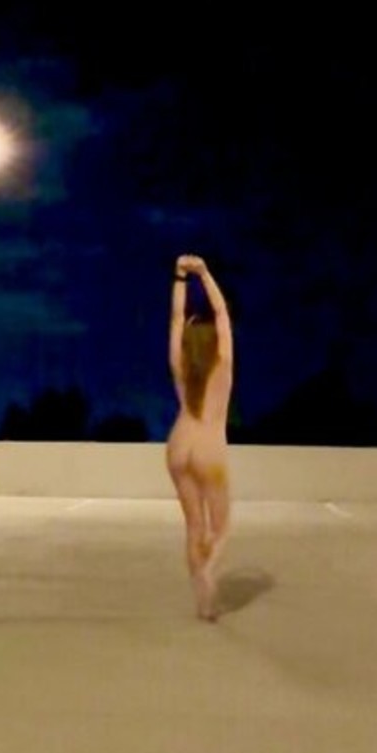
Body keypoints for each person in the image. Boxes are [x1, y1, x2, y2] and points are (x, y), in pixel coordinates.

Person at [165, 255, 234, 620]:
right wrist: (205, 273)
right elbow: (221, 313)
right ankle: (208, 572)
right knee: (220, 528)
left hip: (179, 442)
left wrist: (181, 276)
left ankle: (203, 602)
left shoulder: (180, 364)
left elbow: (177, 318)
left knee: (194, 526)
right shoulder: (223, 364)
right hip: (208, 446)